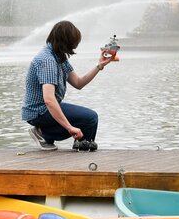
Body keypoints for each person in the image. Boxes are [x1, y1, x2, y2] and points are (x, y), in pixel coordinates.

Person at [22, 20, 113, 151]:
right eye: (73, 43)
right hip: (38, 111)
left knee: (89, 118)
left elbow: (78, 83)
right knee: (90, 118)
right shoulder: (47, 60)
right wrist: (70, 128)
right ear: (66, 41)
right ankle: (44, 133)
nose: (74, 47)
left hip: (46, 108)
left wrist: (99, 66)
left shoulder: (59, 57)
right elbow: (48, 100)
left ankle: (81, 146)